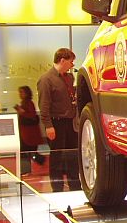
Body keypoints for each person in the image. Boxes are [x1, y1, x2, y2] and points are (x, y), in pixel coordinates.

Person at [37, 48, 80, 192]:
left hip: (71, 123)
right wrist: (48, 126)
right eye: (70, 61)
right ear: (62, 60)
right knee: (57, 157)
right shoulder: (46, 80)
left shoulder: (69, 78)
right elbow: (44, 105)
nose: (72, 65)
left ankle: (75, 185)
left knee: (73, 155)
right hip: (56, 123)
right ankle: (57, 188)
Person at [13, 85, 44, 173]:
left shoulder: (29, 103)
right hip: (26, 133)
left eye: (22, 92)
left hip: (29, 133)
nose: (20, 94)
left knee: (27, 151)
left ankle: (27, 169)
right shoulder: (25, 103)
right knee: (27, 151)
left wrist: (22, 112)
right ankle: (27, 169)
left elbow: (31, 115)